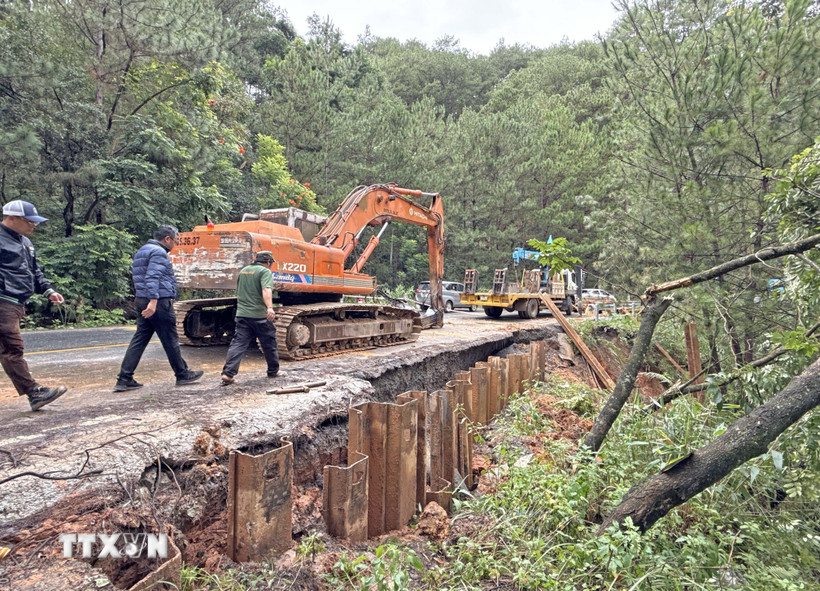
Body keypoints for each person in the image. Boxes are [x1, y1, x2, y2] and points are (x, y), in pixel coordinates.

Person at [114, 225, 203, 391]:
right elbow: (152, 277)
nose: (175, 244)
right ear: (167, 239)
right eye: (175, 240)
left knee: (139, 339)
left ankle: (124, 378)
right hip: (158, 302)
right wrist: (154, 301)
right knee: (170, 339)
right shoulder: (159, 252)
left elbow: (141, 277)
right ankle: (182, 374)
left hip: (142, 299)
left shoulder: (143, 250)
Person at [0, 200, 67, 411]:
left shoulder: (26, 243)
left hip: (17, 302)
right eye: (29, 221)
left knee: (8, 348)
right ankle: (34, 393)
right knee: (12, 348)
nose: (33, 225)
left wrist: (49, 290)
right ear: (11, 218)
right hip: (3, 301)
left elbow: (34, 271)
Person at [220, 251, 281, 385]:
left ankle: (228, 374)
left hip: (242, 314)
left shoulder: (244, 271)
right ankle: (273, 371)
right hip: (259, 315)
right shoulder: (264, 272)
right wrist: (270, 307)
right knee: (269, 343)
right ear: (268, 262)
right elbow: (266, 289)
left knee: (238, 343)